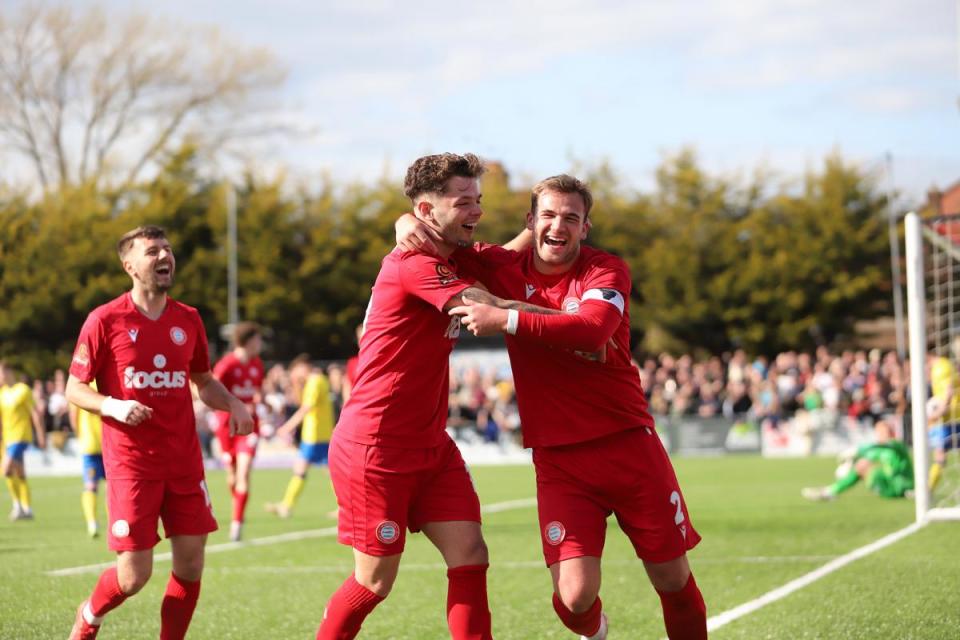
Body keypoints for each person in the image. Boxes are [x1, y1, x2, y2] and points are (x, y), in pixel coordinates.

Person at [398, 174, 707, 640]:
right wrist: (403, 222)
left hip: (628, 446)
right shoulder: (501, 265)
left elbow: (591, 330)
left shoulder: (606, 270)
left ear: (585, 227)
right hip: (559, 460)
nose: (557, 226)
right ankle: (596, 631)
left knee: (671, 578)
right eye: (548, 215)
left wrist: (505, 314)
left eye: (570, 217)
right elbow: (433, 239)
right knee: (574, 598)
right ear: (530, 221)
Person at [316, 153, 496, 640]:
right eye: (463, 202)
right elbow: (486, 307)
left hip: (431, 446)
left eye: (478, 200)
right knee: (374, 582)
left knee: (471, 556)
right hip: (377, 448)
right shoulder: (414, 264)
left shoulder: (454, 252)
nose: (476, 211)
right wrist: (576, 323)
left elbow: (519, 257)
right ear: (425, 210)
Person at [65, 225, 254, 640]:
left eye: (168, 249)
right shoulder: (105, 320)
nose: (165, 256)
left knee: (190, 566)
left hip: (184, 462)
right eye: (153, 251)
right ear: (129, 265)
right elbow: (74, 388)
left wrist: (235, 403)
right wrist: (113, 405)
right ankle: (90, 615)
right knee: (133, 577)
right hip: (132, 464)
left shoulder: (188, 318)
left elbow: (203, 379)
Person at [212, 321, 265, 541]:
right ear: (249, 341)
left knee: (243, 473)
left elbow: (257, 391)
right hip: (227, 426)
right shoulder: (226, 365)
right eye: (258, 339)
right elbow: (212, 390)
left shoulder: (257, 365)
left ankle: (236, 523)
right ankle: (237, 506)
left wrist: (261, 402)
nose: (260, 344)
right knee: (232, 476)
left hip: (250, 426)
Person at [265, 355, 335, 520]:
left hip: (315, 435)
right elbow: (302, 402)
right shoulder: (317, 381)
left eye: (295, 370)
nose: (294, 374)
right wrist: (296, 384)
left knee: (303, 469)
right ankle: (287, 505)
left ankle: (287, 505)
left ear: (303, 366)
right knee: (327, 472)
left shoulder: (315, 381)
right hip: (319, 433)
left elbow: (306, 408)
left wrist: (287, 427)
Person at [801, 418, 913, 500]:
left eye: (884, 431)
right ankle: (831, 491)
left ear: (891, 432)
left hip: (904, 485)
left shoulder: (897, 445)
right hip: (891, 485)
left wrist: (857, 450)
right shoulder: (878, 451)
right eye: (879, 432)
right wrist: (847, 464)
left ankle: (831, 492)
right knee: (862, 465)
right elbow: (864, 459)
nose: (882, 435)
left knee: (864, 465)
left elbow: (882, 445)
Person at [1, 362, 46, 521]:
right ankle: (26, 508)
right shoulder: (2, 393)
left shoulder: (23, 390)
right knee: (19, 473)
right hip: (7, 439)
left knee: (6, 469)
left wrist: (40, 434)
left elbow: (34, 413)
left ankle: (17, 506)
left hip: (21, 437)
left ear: (8, 372)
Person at [69, 380, 106, 537]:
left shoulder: (79, 386)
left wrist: (80, 436)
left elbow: (73, 417)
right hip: (103, 444)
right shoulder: (104, 383)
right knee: (109, 486)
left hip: (93, 445)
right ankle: (105, 523)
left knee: (92, 486)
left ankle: (93, 523)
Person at [925, 348, 960, 490]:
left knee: (939, 455)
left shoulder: (941, 367)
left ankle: (927, 490)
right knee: (940, 455)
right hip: (953, 416)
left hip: (947, 419)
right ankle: (927, 489)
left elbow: (949, 390)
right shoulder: (941, 366)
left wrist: (939, 411)